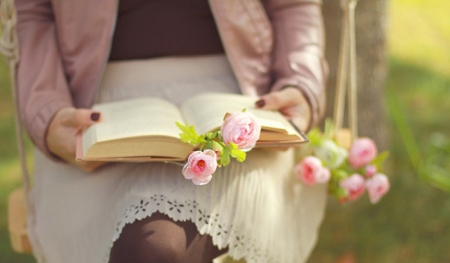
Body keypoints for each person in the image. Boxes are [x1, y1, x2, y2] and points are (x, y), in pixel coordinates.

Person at [14, 0, 328, 262]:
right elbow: (33, 13)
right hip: (93, 110)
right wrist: (48, 112)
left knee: (155, 249)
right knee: (153, 249)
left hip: (238, 102)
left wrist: (301, 85)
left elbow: (292, 4)